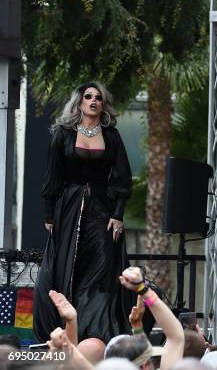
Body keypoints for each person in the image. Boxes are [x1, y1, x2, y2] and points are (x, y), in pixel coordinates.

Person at [34, 82, 135, 343]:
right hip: (67, 209)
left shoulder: (111, 135)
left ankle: (96, 331)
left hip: (102, 210)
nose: (93, 101)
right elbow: (52, 176)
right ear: (79, 102)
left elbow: (123, 176)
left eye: (98, 98)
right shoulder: (63, 133)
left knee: (102, 266)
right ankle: (69, 330)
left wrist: (118, 214)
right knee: (69, 269)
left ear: (103, 104)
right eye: (88, 96)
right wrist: (48, 216)